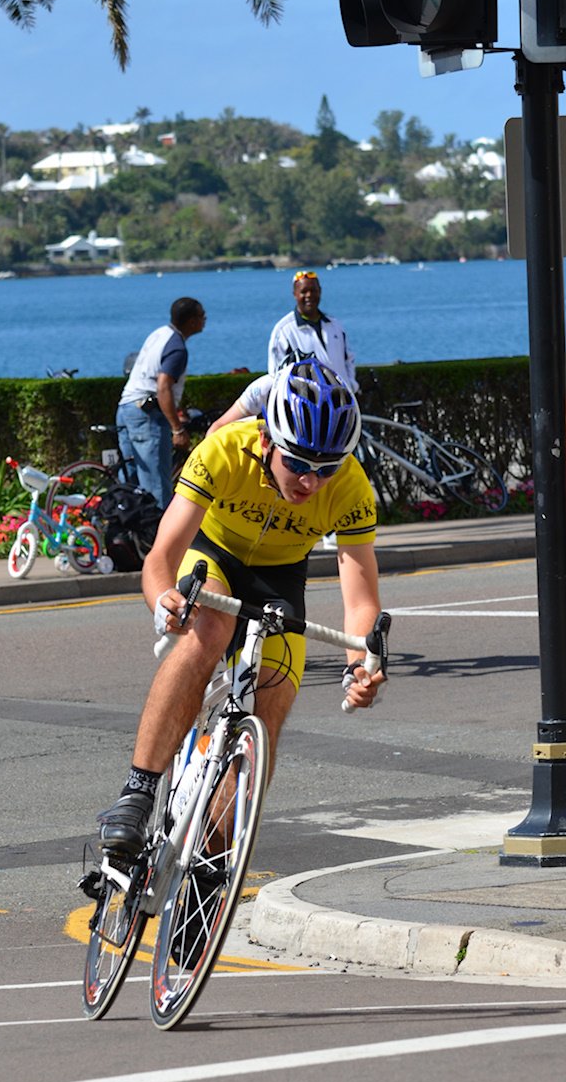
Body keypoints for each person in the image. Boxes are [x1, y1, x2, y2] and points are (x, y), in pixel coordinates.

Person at [97, 359, 383, 857]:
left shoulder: (352, 487)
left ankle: (213, 859)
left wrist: (359, 667)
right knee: (209, 629)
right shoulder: (225, 450)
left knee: (272, 701)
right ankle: (137, 793)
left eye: (326, 468)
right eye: (297, 463)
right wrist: (165, 598)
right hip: (214, 554)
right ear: (268, 441)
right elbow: (160, 557)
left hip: (281, 575)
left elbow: (360, 599)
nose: (311, 482)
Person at [206, 269, 356, 436]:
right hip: (309, 415)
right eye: (303, 291)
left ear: (320, 291)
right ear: (295, 294)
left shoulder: (335, 325)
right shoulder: (284, 330)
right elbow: (276, 375)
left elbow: (348, 359)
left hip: (341, 407)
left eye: (313, 290)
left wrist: (351, 386)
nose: (309, 295)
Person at [116, 297, 206, 510]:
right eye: (202, 316)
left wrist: (175, 412)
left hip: (126, 406)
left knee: (131, 483)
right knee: (156, 488)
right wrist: (177, 428)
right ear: (192, 321)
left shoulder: (160, 334)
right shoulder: (177, 348)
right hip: (146, 415)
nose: (205, 320)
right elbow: (163, 387)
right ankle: (158, 539)